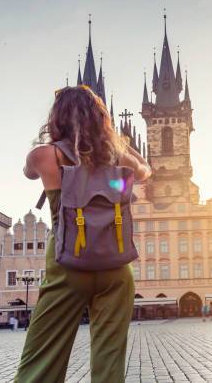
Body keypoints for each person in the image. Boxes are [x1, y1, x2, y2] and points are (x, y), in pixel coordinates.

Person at [14, 86, 152, 383]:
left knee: (42, 359)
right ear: (101, 118)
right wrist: (119, 144)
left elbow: (26, 171)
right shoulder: (117, 158)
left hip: (67, 266)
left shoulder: (44, 156)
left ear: (57, 119)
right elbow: (145, 171)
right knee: (109, 362)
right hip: (116, 268)